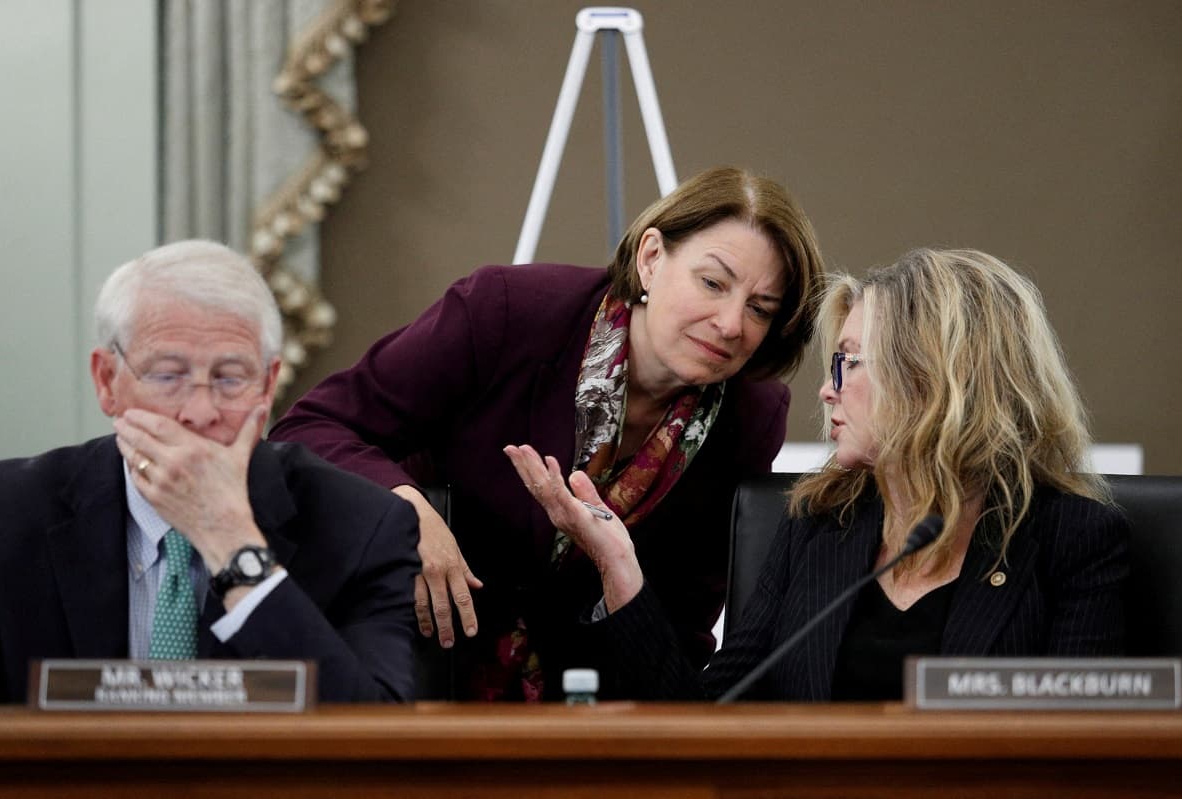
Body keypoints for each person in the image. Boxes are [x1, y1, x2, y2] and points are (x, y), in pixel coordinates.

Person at [270, 166, 825, 700]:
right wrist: (405, 511)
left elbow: (684, 626)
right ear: (652, 257)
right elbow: (309, 429)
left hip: (591, 710)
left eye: (759, 308)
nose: (730, 323)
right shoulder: (506, 310)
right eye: (712, 283)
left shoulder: (750, 414)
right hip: (417, 662)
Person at [506, 247, 1130, 701]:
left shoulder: (1070, 540)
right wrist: (621, 568)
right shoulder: (820, 525)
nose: (828, 395)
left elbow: (1078, 758)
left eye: (851, 364)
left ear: (937, 381)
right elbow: (710, 720)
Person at [0, 241, 421, 704]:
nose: (200, 412)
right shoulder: (12, 513)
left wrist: (230, 541)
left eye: (229, 377)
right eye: (166, 375)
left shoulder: (364, 528)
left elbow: (370, 738)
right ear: (107, 382)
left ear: (267, 386)